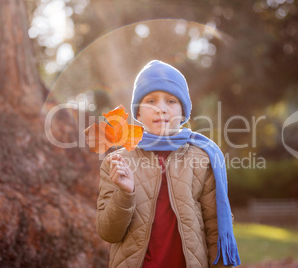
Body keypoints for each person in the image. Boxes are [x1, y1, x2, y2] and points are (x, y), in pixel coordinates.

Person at [96, 60, 240, 268]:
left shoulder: (202, 158)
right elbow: (107, 232)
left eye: (171, 101)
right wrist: (124, 194)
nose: (161, 109)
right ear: (137, 113)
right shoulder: (118, 162)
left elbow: (214, 228)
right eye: (151, 101)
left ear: (183, 112)